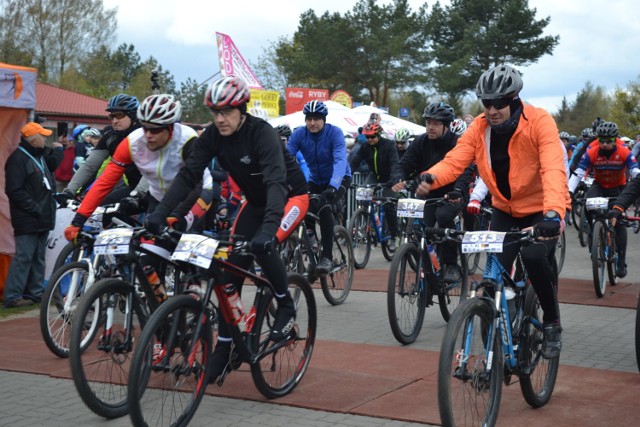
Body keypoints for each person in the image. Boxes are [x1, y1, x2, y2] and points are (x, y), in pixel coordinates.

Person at [144, 76, 309, 384]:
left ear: (242, 109)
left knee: (266, 244)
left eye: (226, 111)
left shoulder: (262, 134)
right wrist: (161, 213)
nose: (219, 118)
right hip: (255, 203)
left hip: (290, 197)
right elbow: (188, 175)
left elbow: (275, 183)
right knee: (228, 277)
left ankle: (285, 303)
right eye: (214, 112)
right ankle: (225, 345)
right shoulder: (213, 136)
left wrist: (268, 231)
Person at [406, 64, 569, 359]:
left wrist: (554, 214)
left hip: (541, 210)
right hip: (504, 209)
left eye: (500, 103)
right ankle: (497, 330)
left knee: (533, 257)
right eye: (487, 103)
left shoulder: (540, 122)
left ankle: (551, 322)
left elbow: (553, 169)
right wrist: (431, 178)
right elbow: (455, 160)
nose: (492, 110)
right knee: (493, 277)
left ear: (515, 99)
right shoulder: (480, 127)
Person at [64, 94, 214, 245]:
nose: (148, 135)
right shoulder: (132, 141)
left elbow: (191, 181)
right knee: (147, 252)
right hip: (158, 194)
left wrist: (171, 214)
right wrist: (78, 220)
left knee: (171, 239)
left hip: (196, 191)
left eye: (155, 130)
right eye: (145, 128)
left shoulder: (187, 139)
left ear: (170, 128)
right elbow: (105, 181)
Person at [391, 101, 472, 283]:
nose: (431, 127)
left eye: (436, 124)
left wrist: (458, 191)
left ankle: (451, 264)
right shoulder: (420, 141)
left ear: (446, 125)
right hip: (428, 194)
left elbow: (465, 170)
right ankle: (428, 273)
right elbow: (404, 164)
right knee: (423, 229)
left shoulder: (456, 142)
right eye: (428, 123)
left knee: (443, 218)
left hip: (452, 194)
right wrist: (398, 178)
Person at [287, 100, 352, 274]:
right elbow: (285, 158)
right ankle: (312, 244)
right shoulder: (299, 134)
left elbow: (340, 160)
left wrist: (333, 186)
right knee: (303, 206)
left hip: (340, 178)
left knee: (324, 208)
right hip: (316, 179)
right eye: (309, 118)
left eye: (316, 118)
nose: (312, 123)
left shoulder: (334, 133)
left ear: (324, 119)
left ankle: (327, 257)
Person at [568, 121, 639, 277]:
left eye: (609, 141)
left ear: (615, 139)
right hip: (599, 186)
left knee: (619, 222)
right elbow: (579, 172)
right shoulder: (592, 152)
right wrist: (569, 191)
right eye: (602, 140)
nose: (605, 144)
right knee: (587, 204)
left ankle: (621, 260)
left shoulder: (624, 152)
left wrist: (637, 176)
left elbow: (635, 171)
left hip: (618, 189)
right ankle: (594, 233)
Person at [3, 123, 62, 308]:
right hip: (28, 217)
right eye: (43, 136)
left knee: (38, 256)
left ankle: (36, 293)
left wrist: (59, 150)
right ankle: (12, 296)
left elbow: (52, 166)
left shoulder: (38, 155)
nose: (45, 139)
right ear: (34, 138)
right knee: (24, 257)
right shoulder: (17, 159)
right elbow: (14, 190)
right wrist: (35, 208)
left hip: (41, 216)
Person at [60, 94, 147, 206]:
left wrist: (138, 194)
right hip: (133, 187)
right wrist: (70, 191)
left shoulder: (146, 134)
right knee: (100, 210)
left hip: (156, 189)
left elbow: (154, 170)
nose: (114, 121)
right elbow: (90, 166)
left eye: (119, 115)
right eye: (111, 116)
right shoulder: (110, 137)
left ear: (133, 115)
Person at [348, 122, 402, 250]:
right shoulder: (365, 147)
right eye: (367, 137)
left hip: (389, 177)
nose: (370, 140)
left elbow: (395, 163)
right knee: (363, 199)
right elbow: (354, 162)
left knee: (388, 205)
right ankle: (369, 225)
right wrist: (346, 177)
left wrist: (394, 179)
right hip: (375, 176)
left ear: (378, 135)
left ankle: (394, 236)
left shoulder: (389, 145)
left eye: (372, 137)